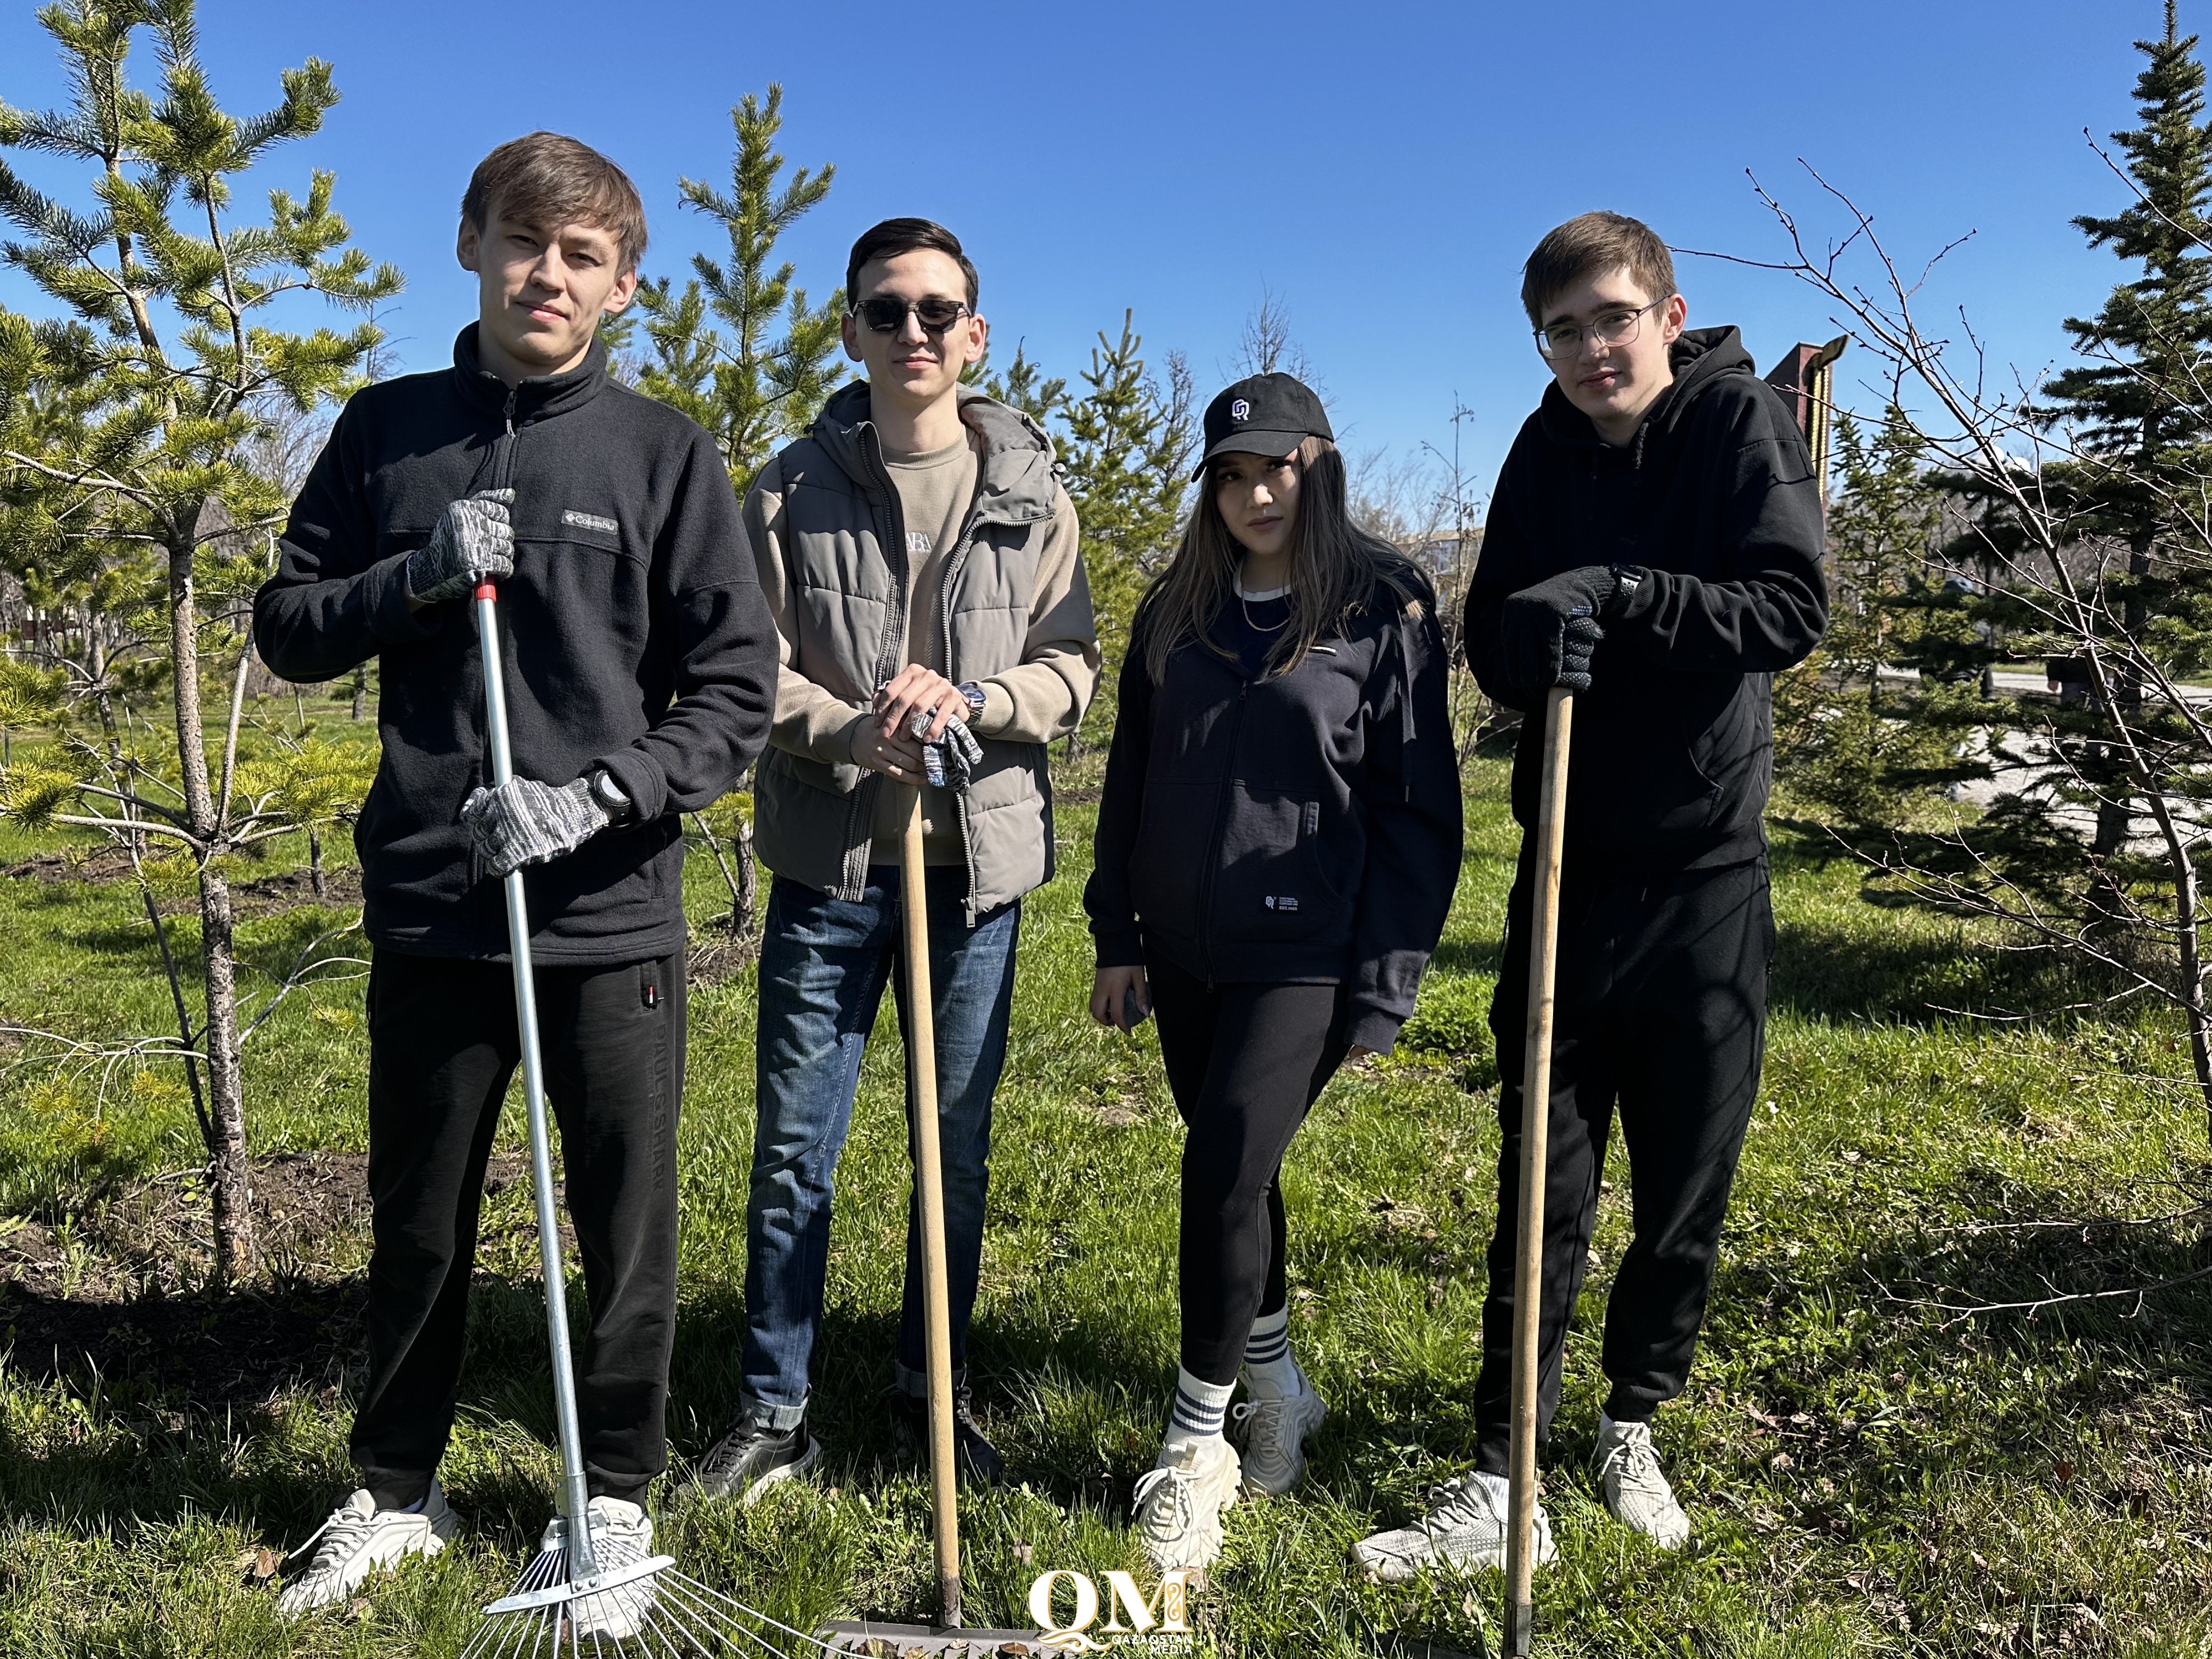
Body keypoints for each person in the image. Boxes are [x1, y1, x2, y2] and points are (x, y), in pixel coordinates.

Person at [252, 133, 776, 1627]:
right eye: (525, 243)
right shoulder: (384, 430)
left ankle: (608, 1503)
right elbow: (289, 626)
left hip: (606, 914)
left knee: (625, 1223)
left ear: (624, 283)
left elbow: (734, 689)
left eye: (584, 255)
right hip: (432, 900)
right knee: (417, 1219)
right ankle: (395, 1495)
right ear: (475, 246)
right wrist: (412, 576)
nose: (550, 275)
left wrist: (601, 796)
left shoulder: (663, 453)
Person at [1354, 212, 1826, 1581]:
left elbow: (1788, 605)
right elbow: (1492, 627)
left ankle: (1634, 1421)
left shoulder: (1736, 425)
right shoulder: (1542, 446)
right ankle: (1507, 1473)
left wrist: (1624, 595)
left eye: (1612, 318)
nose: (1588, 349)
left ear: (1667, 315)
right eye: (1562, 330)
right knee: (1539, 1178)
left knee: (1686, 1174)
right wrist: (1527, 635)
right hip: (1568, 872)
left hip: (1704, 879)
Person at [688, 218, 1098, 1503]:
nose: (912, 332)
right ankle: (774, 1407)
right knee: (793, 1150)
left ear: (975, 335)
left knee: (953, 1149)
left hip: (974, 881)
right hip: (832, 869)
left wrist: (978, 702)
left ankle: (936, 1391)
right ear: (851, 330)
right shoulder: (791, 487)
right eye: (887, 311)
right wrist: (853, 728)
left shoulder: (1033, 495)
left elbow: (1072, 666)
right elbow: (744, 668)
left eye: (938, 312)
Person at [1086, 374, 1463, 1577]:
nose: (1256, 493)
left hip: (1309, 949)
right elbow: (1130, 781)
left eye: (1279, 469)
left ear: (1320, 467)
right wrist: (1118, 931)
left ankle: (1196, 1449)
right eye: (1232, 473)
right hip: (1186, 948)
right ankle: (1282, 1389)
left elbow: (1422, 814)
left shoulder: (1383, 606)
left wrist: (1386, 982)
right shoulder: (1177, 609)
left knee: (1219, 1171)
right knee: (1237, 1178)